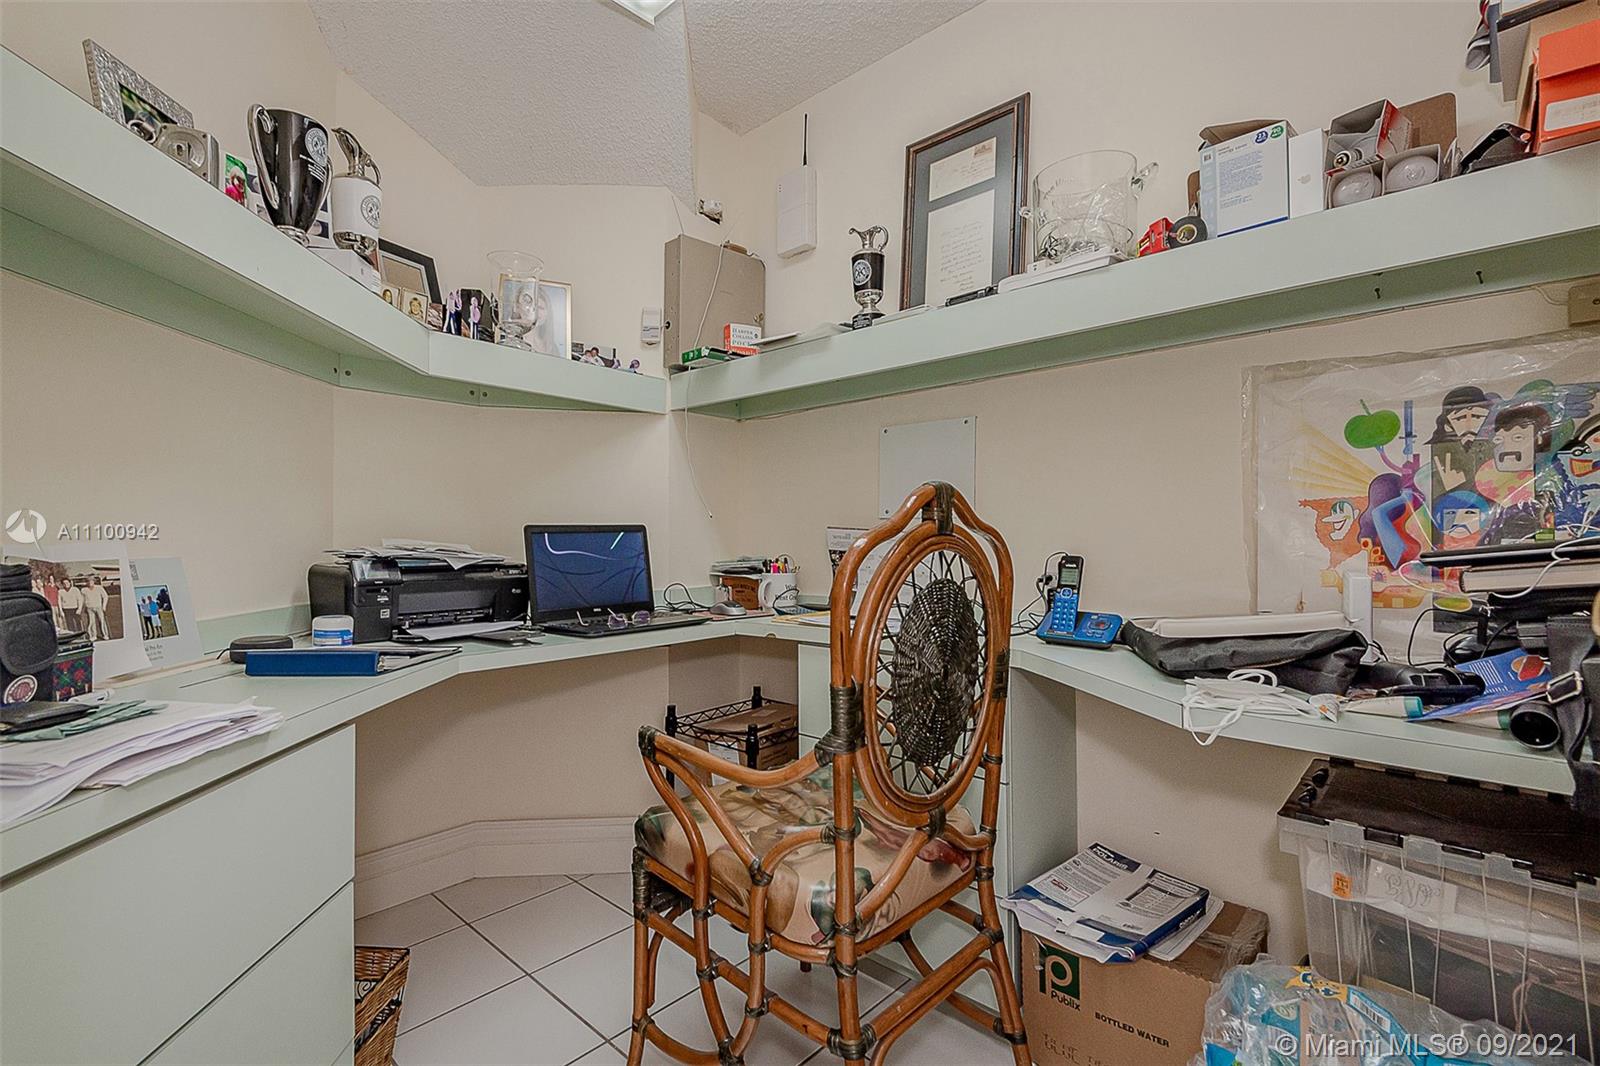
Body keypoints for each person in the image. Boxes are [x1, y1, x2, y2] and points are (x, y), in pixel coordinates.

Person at [83, 576, 110, 641]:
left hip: (99, 607)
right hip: (89, 608)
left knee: (102, 621)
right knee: (91, 622)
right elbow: (82, 599)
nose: (90, 582)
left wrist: (104, 606)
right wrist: (84, 608)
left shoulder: (99, 588)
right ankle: (93, 635)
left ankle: (105, 635)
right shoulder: (84, 590)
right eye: (88, 581)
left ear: (94, 581)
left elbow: (105, 596)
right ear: (86, 582)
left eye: (91, 581)